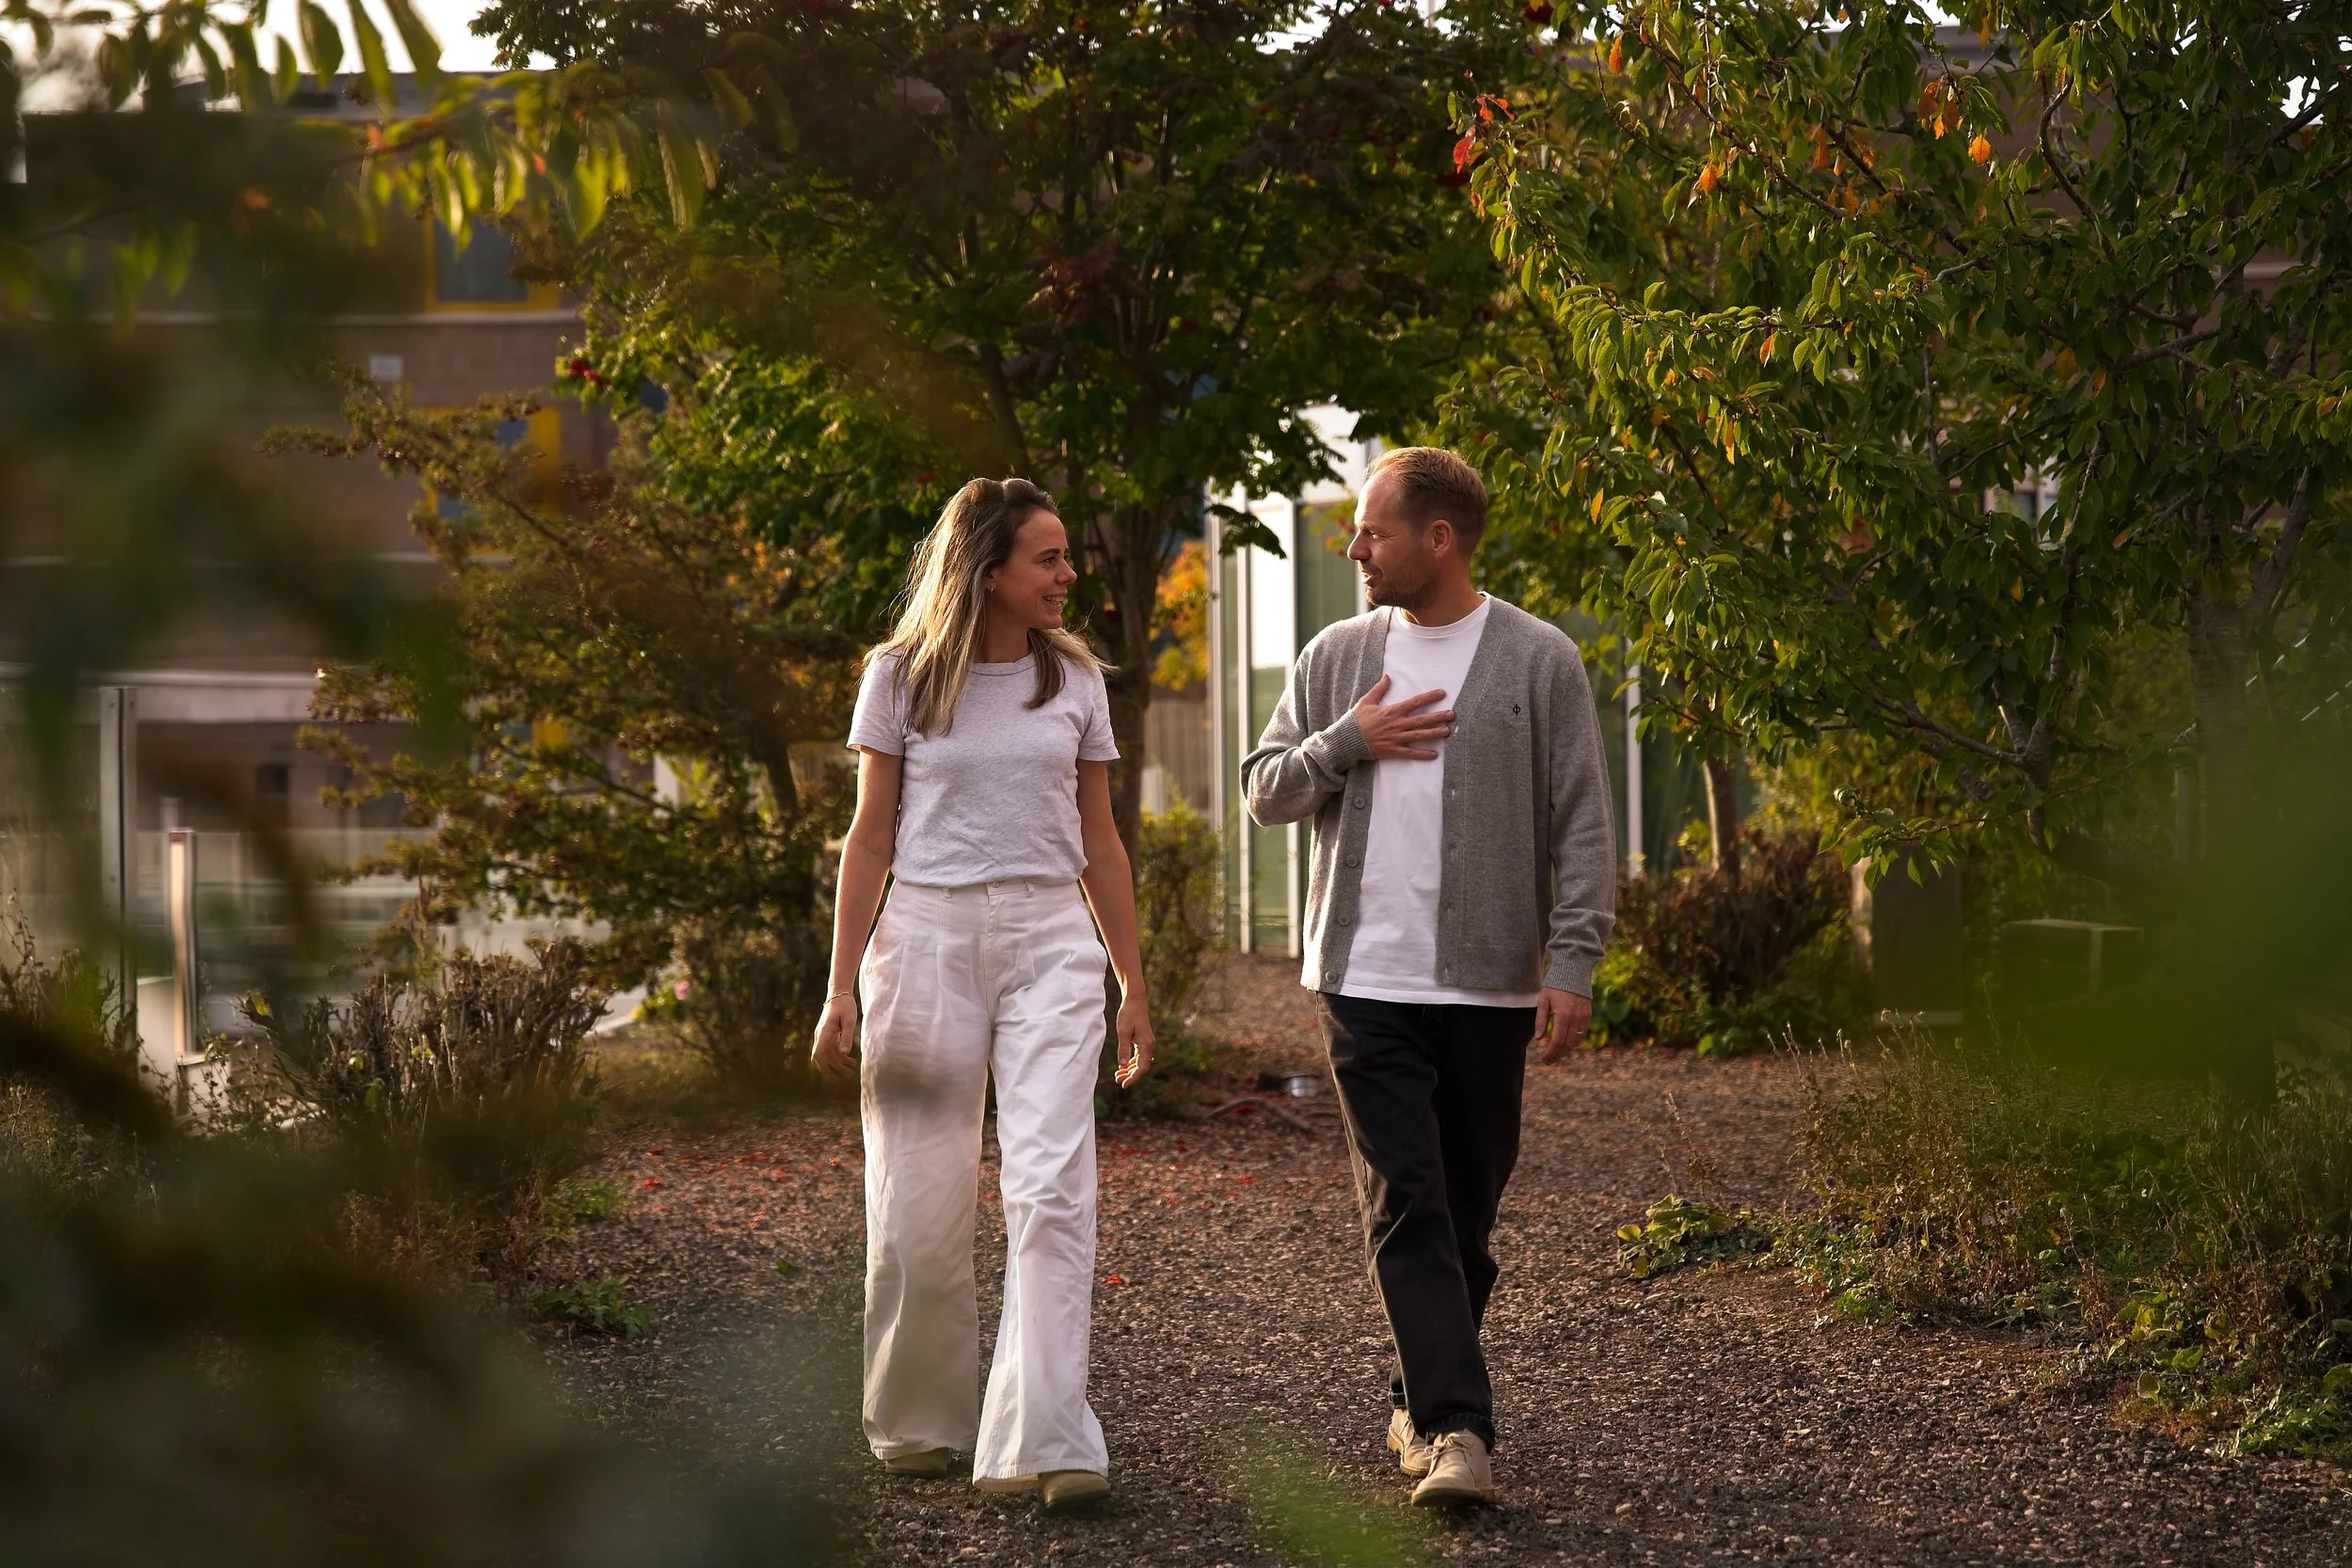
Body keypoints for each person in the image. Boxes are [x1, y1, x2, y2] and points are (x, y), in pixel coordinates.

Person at [1242, 446, 1615, 1507]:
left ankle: (1417, 1394)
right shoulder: (1336, 654)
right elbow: (1263, 789)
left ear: (1437, 539)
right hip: (1362, 976)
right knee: (1406, 1197)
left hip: (1490, 985)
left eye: (1374, 530)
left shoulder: (1539, 660)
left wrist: (1574, 959)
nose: (1355, 546)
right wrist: (1344, 741)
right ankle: (1459, 1431)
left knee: (1465, 1209)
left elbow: (1581, 819)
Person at [811, 476, 1154, 1513]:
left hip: (1052, 939)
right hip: (923, 938)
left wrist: (1133, 983)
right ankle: (920, 1418)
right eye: (1047, 558)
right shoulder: (901, 677)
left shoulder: (1076, 680)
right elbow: (869, 837)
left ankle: (1046, 1437)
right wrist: (839, 988)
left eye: (1064, 556)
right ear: (988, 569)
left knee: (1053, 1184)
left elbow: (1101, 838)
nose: (1067, 574)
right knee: (917, 1187)